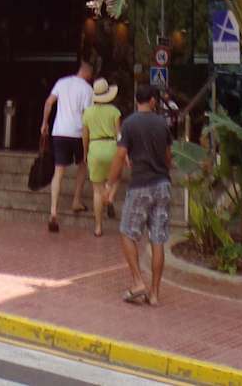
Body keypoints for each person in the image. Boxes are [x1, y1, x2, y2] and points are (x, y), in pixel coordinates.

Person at [104, 82, 173, 306]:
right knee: (157, 239)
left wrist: (110, 183)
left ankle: (137, 281)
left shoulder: (130, 124)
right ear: (152, 101)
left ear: (137, 100)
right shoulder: (162, 124)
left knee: (127, 232)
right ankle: (155, 293)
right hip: (162, 184)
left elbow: (120, 155)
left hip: (140, 184)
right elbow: (168, 157)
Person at [40, 58, 94, 232]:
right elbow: (87, 115)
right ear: (87, 73)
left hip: (59, 131)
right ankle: (76, 200)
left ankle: (53, 212)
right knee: (83, 163)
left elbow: (49, 102)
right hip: (77, 133)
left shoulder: (61, 82)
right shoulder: (87, 89)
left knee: (59, 172)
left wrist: (45, 123)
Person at [81, 76, 121, 237]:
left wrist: (85, 152)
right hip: (111, 147)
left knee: (96, 191)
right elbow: (119, 134)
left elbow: (85, 135)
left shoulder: (87, 112)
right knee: (116, 177)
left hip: (95, 147)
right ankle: (110, 196)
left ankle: (98, 227)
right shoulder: (114, 111)